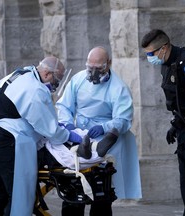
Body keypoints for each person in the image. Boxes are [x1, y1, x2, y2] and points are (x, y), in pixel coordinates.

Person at [0, 56, 83, 216]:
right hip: (10, 143)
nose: (55, 86)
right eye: (56, 81)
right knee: (16, 196)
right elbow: (50, 129)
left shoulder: (21, 74)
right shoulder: (35, 89)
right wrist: (68, 135)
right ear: (47, 74)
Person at [56, 46, 142, 216]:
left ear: (108, 64)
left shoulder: (118, 88)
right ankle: (84, 149)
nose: (93, 73)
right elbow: (64, 106)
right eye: (90, 68)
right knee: (73, 192)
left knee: (100, 193)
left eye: (98, 69)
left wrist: (104, 127)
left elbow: (123, 120)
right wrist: (68, 125)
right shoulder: (78, 80)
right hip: (79, 133)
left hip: (104, 136)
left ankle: (94, 150)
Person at [141, 29, 185, 216]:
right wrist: (175, 125)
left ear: (164, 47)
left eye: (151, 53)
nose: (150, 58)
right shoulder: (167, 64)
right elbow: (180, 100)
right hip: (184, 127)